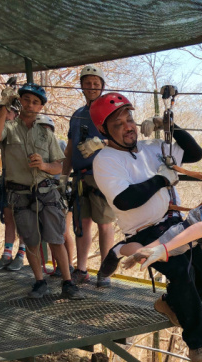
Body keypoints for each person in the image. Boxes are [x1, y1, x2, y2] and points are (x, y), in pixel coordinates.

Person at [87, 92, 202, 362]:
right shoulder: (105, 160)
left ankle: (171, 303)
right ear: (104, 131)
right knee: (182, 273)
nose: (128, 126)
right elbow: (124, 199)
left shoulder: (151, 147)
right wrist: (161, 179)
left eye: (130, 119)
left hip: (175, 224)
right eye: (118, 124)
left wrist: (168, 126)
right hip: (144, 232)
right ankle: (198, 345)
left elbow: (195, 154)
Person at [0, 82, 83, 299]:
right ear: (20, 101)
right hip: (20, 195)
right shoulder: (8, 129)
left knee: (56, 238)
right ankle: (39, 281)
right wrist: (5, 106)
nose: (30, 104)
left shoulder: (46, 133)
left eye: (36, 102)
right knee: (30, 240)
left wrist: (44, 166)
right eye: (26, 99)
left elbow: (59, 165)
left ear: (41, 107)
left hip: (47, 192)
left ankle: (68, 282)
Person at [61, 66, 116, 288]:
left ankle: (105, 270)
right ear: (82, 85)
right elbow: (70, 149)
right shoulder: (77, 115)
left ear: (102, 86)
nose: (92, 87)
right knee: (81, 224)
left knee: (105, 224)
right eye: (88, 83)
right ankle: (81, 269)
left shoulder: (111, 111)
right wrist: (63, 177)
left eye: (96, 83)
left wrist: (103, 142)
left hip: (102, 175)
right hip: (81, 177)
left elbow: (126, 141)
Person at [35, 114, 75, 276]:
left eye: (48, 129)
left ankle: (69, 265)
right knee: (50, 232)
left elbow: (64, 167)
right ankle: (59, 265)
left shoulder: (59, 144)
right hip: (44, 194)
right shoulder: (33, 148)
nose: (45, 133)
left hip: (60, 193)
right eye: (41, 129)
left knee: (63, 232)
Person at [0, 102, 26, 272]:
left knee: (24, 218)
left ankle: (21, 253)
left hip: (23, 180)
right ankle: (7, 254)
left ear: (16, 114)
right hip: (7, 179)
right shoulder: (2, 132)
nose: (4, 116)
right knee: (9, 217)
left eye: (8, 113)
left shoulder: (22, 130)